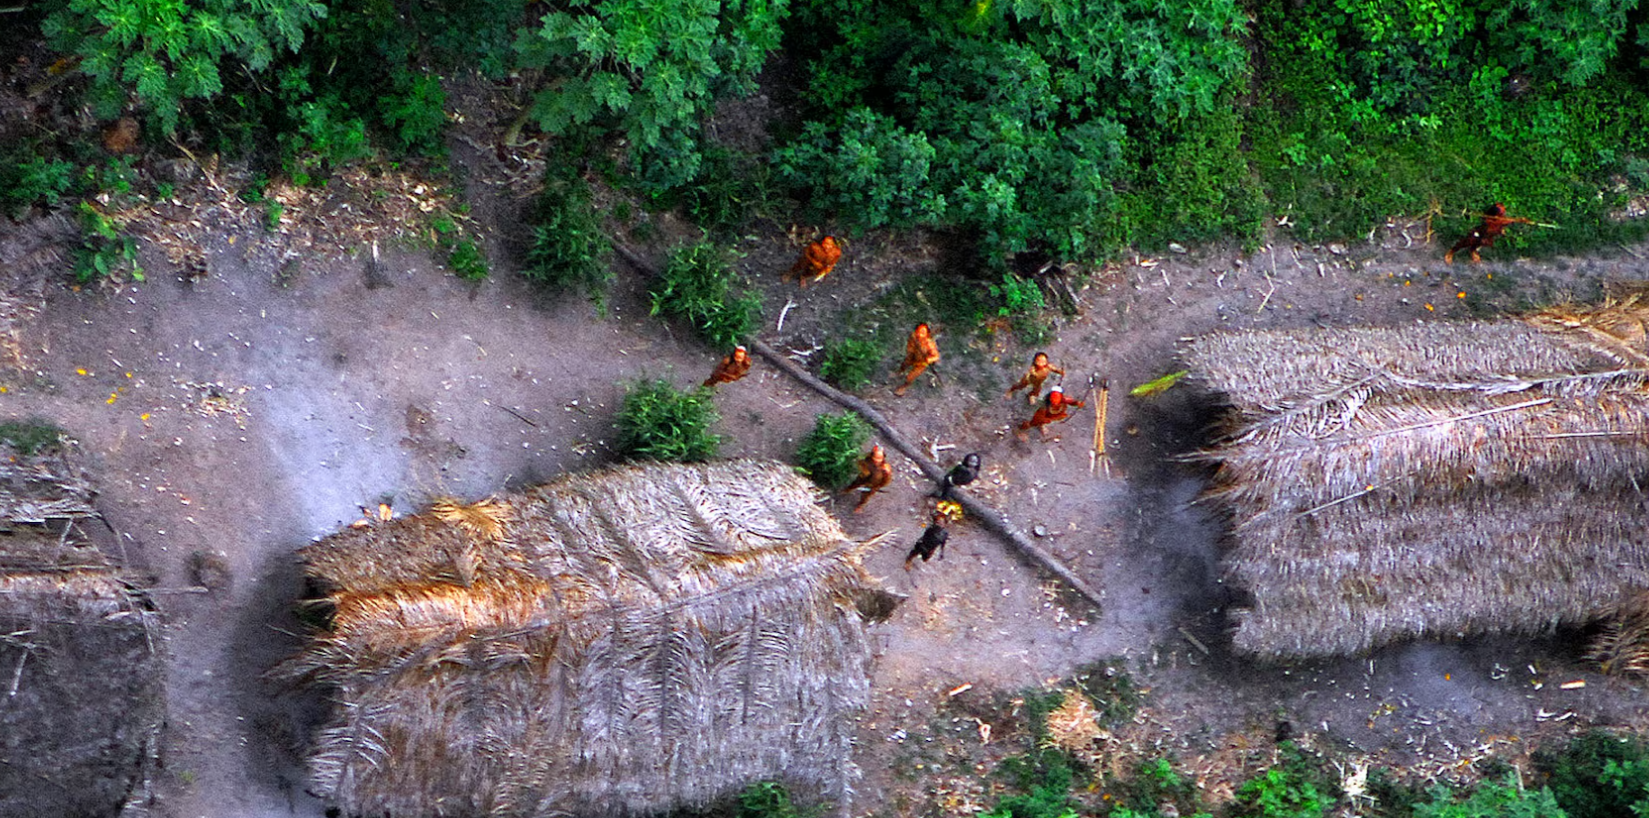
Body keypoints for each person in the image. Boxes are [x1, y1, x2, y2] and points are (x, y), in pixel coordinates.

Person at [1445, 203, 1532, 264]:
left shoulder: (1500, 220)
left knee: (1484, 243)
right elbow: (1507, 221)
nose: (1503, 213)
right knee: (1469, 240)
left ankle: (1473, 251)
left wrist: (1521, 221)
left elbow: (1508, 221)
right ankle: (1451, 252)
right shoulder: (1490, 220)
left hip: (1487, 237)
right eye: (1501, 212)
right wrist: (1520, 220)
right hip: (1479, 233)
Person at [1018, 385, 1084, 439]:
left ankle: (1041, 425)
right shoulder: (1043, 405)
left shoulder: (1064, 400)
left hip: (1054, 414)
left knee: (1046, 420)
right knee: (1035, 422)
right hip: (1045, 414)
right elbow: (1039, 417)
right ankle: (1021, 430)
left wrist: (1077, 403)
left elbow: (1072, 402)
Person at [842, 444, 893, 513]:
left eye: (878, 459)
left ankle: (860, 506)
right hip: (864, 477)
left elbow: (886, 480)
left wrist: (877, 486)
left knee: (866, 496)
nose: (876, 461)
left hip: (873, 484)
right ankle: (847, 490)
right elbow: (861, 462)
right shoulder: (868, 459)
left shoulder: (885, 470)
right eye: (875, 459)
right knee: (856, 483)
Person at [894, 323, 940, 396]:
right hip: (913, 357)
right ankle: (898, 373)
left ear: (926, 334)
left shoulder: (929, 343)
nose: (919, 334)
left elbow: (936, 356)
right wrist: (910, 352)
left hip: (922, 362)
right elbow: (910, 348)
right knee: (904, 364)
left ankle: (903, 387)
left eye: (922, 333)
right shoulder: (913, 338)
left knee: (910, 376)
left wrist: (928, 359)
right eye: (918, 331)